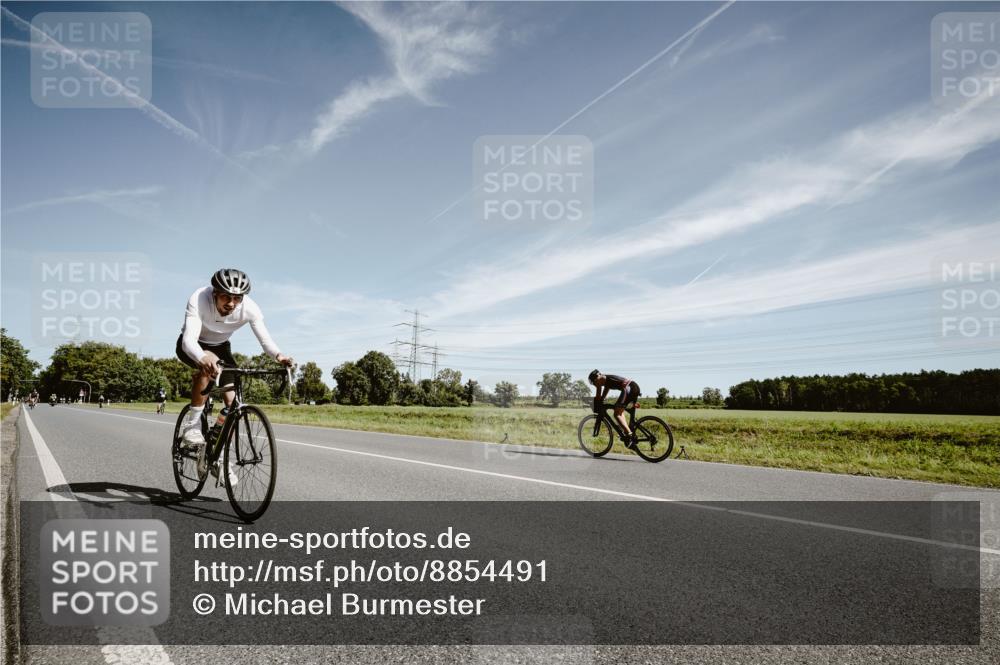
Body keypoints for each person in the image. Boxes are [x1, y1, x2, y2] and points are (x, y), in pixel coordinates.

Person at [176, 268, 294, 483]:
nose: (231, 303)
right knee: (208, 365)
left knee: (232, 405)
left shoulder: (250, 308)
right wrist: (203, 358)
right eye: (226, 297)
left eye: (237, 298)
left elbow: (265, 340)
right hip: (193, 345)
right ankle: (192, 426)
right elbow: (188, 340)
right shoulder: (199, 298)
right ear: (215, 294)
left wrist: (279, 356)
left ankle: (219, 458)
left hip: (222, 347)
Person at [588, 370, 641, 448]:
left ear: (595, 379)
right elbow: (605, 390)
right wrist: (602, 399)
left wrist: (595, 401)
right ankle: (627, 432)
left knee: (617, 414)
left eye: (593, 383)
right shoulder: (605, 379)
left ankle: (629, 435)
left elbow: (598, 395)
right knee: (620, 411)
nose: (595, 384)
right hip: (633, 386)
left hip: (628, 388)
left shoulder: (599, 379)